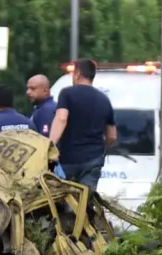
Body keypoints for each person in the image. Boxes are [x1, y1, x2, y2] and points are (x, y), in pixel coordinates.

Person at [48, 58, 117, 191]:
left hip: (69, 159)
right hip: (93, 160)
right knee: (85, 200)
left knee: (65, 200)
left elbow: (61, 119)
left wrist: (50, 145)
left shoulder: (67, 93)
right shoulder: (104, 99)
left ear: (78, 73)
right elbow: (112, 136)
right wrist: (100, 150)